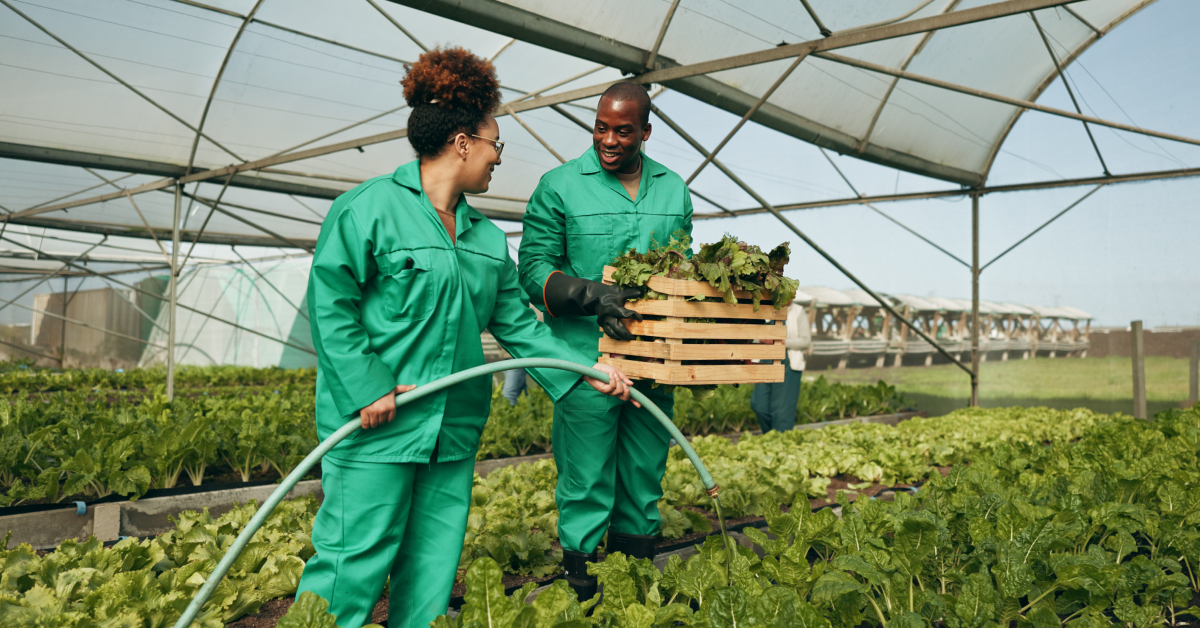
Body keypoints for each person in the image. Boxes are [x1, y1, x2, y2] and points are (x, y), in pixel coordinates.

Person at [296, 48, 635, 628]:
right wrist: (367, 386)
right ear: (462, 143)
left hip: (451, 432)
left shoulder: (484, 239)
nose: (498, 157)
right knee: (350, 567)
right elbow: (331, 304)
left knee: (431, 572)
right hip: (378, 425)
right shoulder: (368, 210)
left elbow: (520, 326)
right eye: (494, 144)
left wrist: (588, 370)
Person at [518, 82, 693, 601]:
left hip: (653, 359)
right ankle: (581, 589)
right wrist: (589, 294)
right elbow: (532, 269)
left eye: (623, 131)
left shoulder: (673, 189)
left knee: (644, 474)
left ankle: (631, 588)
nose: (609, 140)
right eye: (600, 127)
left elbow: (683, 270)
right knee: (587, 478)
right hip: (586, 361)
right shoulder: (560, 185)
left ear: (645, 132)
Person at [751, 300, 810, 432]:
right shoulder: (763, 309)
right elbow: (748, 336)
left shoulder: (798, 311)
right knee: (759, 405)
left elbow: (806, 341)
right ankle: (771, 436)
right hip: (765, 360)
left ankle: (780, 440)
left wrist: (782, 342)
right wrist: (761, 339)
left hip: (788, 363)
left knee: (782, 410)